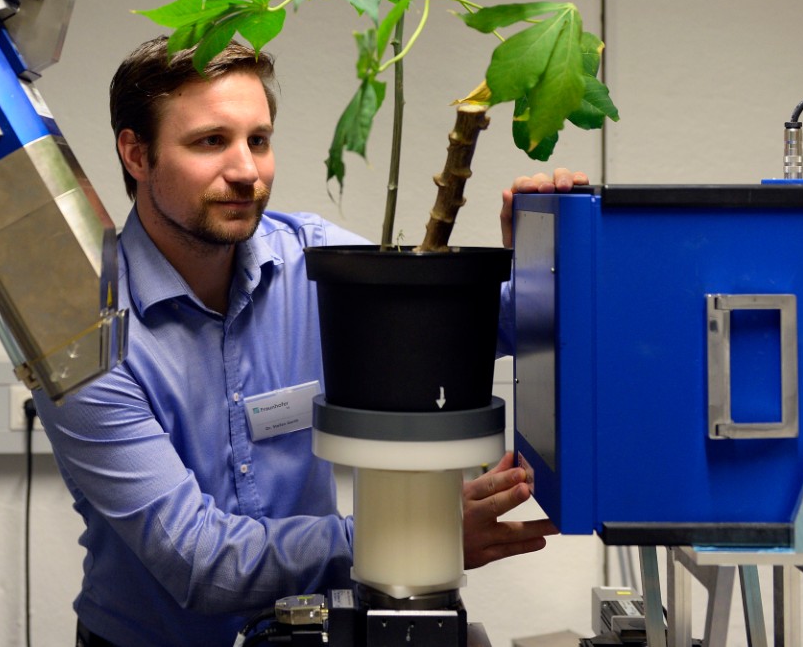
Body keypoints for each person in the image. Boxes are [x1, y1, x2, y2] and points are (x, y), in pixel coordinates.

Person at [33, 36, 588, 647]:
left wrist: (544, 266)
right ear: (136, 154)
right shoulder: (85, 331)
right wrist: (408, 538)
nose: (246, 170)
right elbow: (197, 561)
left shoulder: (314, 264)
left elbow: (469, 329)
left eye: (259, 140)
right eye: (210, 141)